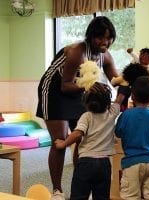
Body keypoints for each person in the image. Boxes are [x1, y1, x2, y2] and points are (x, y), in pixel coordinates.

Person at [36, 16, 118, 200]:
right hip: (55, 90)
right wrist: (91, 86)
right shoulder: (77, 52)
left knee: (83, 138)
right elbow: (66, 85)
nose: (105, 42)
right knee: (60, 140)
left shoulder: (105, 55)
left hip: (80, 90)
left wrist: (129, 86)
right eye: (100, 38)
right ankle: (57, 190)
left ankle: (81, 183)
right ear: (91, 36)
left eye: (109, 38)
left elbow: (115, 80)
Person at [55, 82, 130, 200]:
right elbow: (119, 99)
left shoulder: (87, 116)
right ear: (107, 102)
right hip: (104, 164)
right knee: (102, 196)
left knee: (79, 195)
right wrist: (125, 84)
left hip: (86, 163)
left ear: (86, 102)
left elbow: (77, 134)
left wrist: (63, 144)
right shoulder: (111, 113)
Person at [115, 76, 149, 200]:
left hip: (132, 163)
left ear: (132, 97)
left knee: (130, 196)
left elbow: (118, 132)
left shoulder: (125, 115)